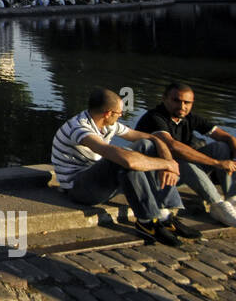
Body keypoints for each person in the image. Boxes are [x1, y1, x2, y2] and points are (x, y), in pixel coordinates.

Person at [52, 88, 201, 246]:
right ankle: (147, 222)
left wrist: (165, 158)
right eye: (119, 113)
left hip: (98, 182)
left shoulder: (107, 123)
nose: (121, 116)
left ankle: (165, 216)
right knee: (123, 161)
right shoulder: (80, 128)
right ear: (108, 114)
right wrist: (167, 164)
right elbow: (124, 159)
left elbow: (149, 137)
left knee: (146, 145)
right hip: (79, 188)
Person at [136, 83, 236, 229]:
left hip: (180, 172)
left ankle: (234, 199)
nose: (182, 106)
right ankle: (216, 205)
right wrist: (216, 163)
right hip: (158, 176)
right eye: (176, 101)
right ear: (164, 99)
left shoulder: (189, 118)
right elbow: (173, 146)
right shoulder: (154, 117)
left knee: (221, 147)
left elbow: (229, 138)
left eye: (187, 102)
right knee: (183, 160)